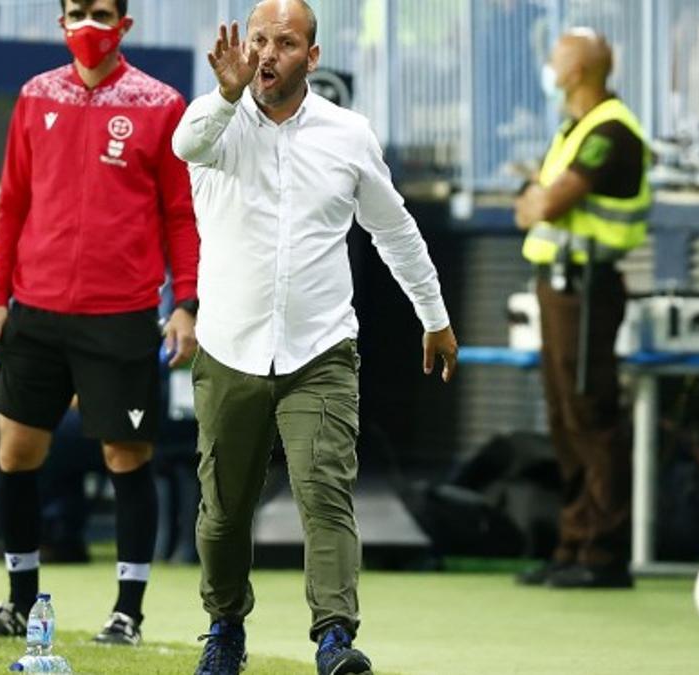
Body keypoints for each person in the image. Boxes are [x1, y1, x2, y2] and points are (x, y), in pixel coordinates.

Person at [172, 2, 458, 673]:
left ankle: (335, 637)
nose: (267, 54)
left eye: (284, 42)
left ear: (312, 57)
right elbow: (186, 145)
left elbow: (394, 229)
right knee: (222, 513)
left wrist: (434, 314)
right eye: (258, 40)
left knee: (326, 495)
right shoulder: (213, 121)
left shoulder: (348, 134)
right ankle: (224, 626)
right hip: (228, 348)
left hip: (320, 350)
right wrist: (225, 92)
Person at [0, 0, 199, 647]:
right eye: (77, 12)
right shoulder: (34, 95)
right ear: (60, 21)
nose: (89, 25)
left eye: (102, 12)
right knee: (16, 451)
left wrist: (185, 302)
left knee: (126, 454)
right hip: (36, 310)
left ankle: (128, 610)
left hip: (121, 315)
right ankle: (20, 600)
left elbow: (180, 214)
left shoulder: (160, 103)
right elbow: (12, 199)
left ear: (125, 24)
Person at [512, 28, 650, 589]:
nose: (549, 66)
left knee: (592, 416)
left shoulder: (611, 130)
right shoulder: (573, 128)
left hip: (587, 289)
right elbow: (535, 207)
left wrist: (538, 203)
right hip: (558, 287)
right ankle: (573, 542)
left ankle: (603, 552)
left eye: (557, 57)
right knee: (563, 417)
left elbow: (547, 202)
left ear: (581, 70)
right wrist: (537, 205)